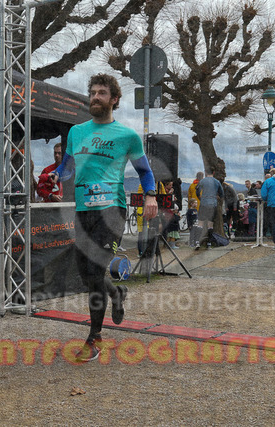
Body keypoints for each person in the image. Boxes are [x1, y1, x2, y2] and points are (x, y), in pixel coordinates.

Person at [50, 73, 158, 362]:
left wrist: (150, 195)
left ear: (114, 100)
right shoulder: (76, 132)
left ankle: (94, 338)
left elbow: (145, 171)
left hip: (112, 210)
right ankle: (116, 293)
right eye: (93, 93)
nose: (95, 97)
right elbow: (68, 169)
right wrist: (56, 176)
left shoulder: (127, 136)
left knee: (96, 271)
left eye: (101, 93)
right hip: (84, 209)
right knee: (87, 275)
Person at [195, 168, 224, 249]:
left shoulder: (202, 181)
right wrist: (217, 197)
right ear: (213, 172)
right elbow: (222, 193)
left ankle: (197, 242)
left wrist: (200, 197)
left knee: (200, 223)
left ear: (205, 172)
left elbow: (197, 191)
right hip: (213, 204)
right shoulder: (217, 182)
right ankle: (209, 243)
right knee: (210, 224)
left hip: (203, 203)